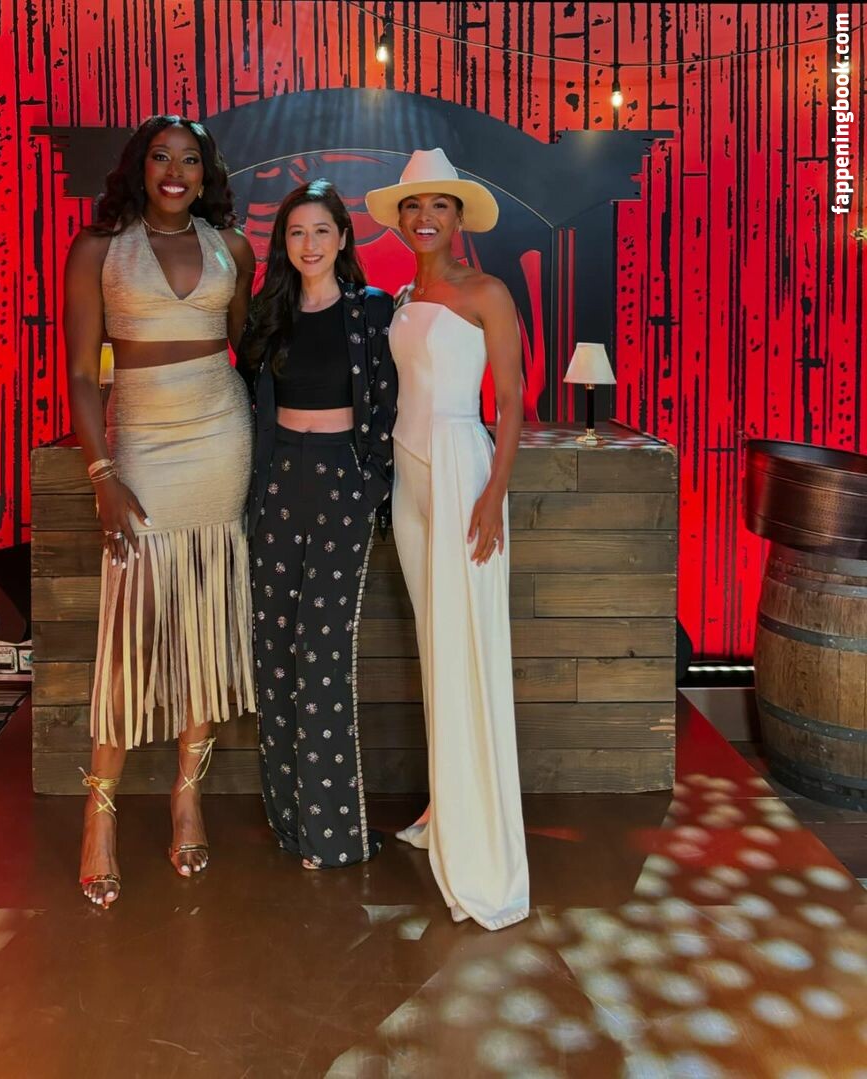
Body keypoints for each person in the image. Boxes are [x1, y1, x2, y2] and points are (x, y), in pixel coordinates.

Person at [63, 115, 256, 907]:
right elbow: (82, 375)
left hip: (221, 437)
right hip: (141, 441)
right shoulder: (98, 249)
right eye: (161, 157)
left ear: (206, 173)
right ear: (140, 168)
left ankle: (187, 795)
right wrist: (102, 470)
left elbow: (246, 348)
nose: (175, 171)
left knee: (205, 619)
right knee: (132, 629)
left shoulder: (233, 248)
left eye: (190, 159)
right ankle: (100, 812)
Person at [364, 149, 530, 929]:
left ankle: (480, 836)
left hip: (463, 470)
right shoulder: (403, 296)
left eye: (438, 205)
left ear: (459, 217)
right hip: (409, 477)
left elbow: (512, 401)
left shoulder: (486, 292)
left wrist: (495, 493)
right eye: (412, 206)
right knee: (436, 645)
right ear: (400, 219)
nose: (423, 217)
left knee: (468, 647)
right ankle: (444, 803)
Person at [237, 180, 398, 869]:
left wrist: (371, 483)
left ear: (343, 238)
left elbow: (389, 402)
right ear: (284, 241)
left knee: (322, 653)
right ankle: (290, 822)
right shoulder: (268, 314)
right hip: (277, 482)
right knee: (273, 652)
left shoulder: (371, 311)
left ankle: (331, 837)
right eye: (297, 232)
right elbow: (245, 399)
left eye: (321, 231)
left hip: (342, 480)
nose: (309, 244)